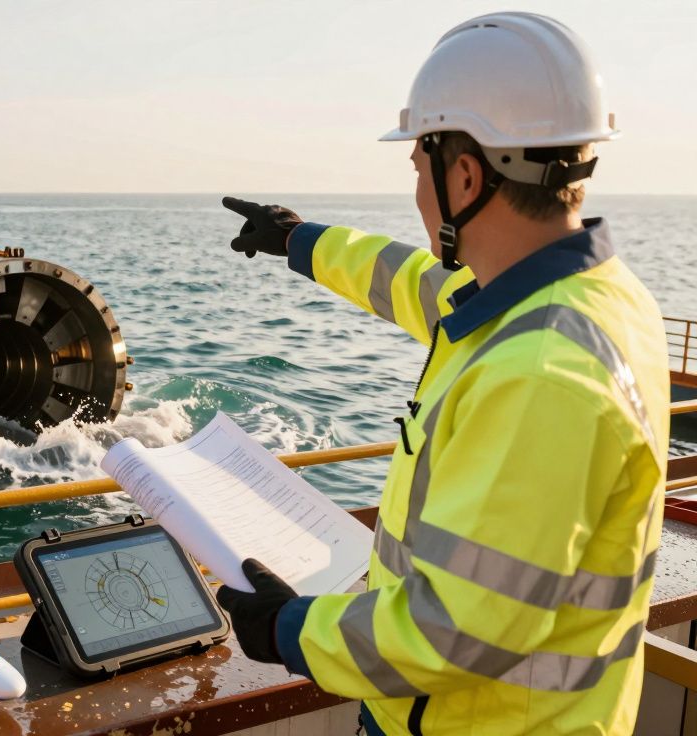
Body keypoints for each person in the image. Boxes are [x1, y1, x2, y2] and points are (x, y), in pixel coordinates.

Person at [215, 12, 670, 735]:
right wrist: (298, 240)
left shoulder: (541, 374)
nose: (415, 183)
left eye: (419, 162)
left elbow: (454, 629)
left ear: (464, 173)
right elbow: (408, 280)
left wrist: (289, 630)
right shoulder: (587, 296)